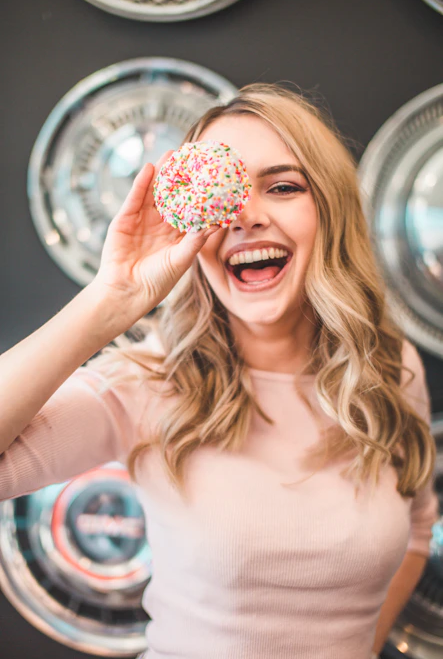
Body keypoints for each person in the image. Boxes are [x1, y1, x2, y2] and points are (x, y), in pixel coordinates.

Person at [0, 83, 438, 659]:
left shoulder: (387, 367)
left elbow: (416, 528)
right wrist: (110, 299)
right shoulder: (149, 382)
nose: (246, 217)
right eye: (221, 193)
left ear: (330, 210)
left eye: (282, 187)